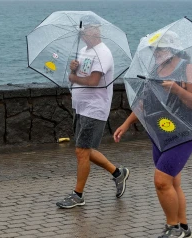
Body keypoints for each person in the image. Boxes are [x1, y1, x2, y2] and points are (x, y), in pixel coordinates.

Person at [113, 31, 192, 238]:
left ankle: (173, 228)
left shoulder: (188, 68)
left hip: (184, 133)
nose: (156, 53)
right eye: (153, 49)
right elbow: (144, 103)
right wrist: (126, 124)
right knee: (173, 182)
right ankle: (183, 227)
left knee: (161, 181)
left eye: (161, 49)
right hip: (160, 133)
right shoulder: (155, 70)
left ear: (173, 50)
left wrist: (177, 90)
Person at [56, 15, 130, 209]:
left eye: (86, 31)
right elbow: (80, 75)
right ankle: (118, 173)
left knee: (81, 150)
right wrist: (75, 67)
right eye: (81, 33)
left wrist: (73, 76)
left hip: (95, 108)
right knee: (85, 149)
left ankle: (78, 195)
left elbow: (93, 81)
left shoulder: (103, 53)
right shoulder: (83, 50)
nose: (83, 35)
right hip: (80, 106)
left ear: (96, 32)